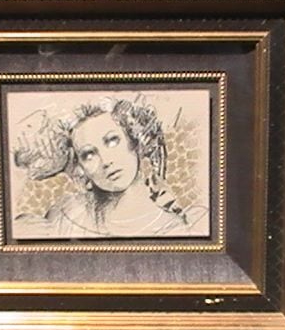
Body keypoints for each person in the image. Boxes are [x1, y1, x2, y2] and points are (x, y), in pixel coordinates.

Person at [12, 96, 208, 238]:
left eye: (112, 141)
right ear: (81, 168)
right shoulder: (66, 214)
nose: (106, 161)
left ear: (134, 140)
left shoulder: (178, 225)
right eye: (89, 154)